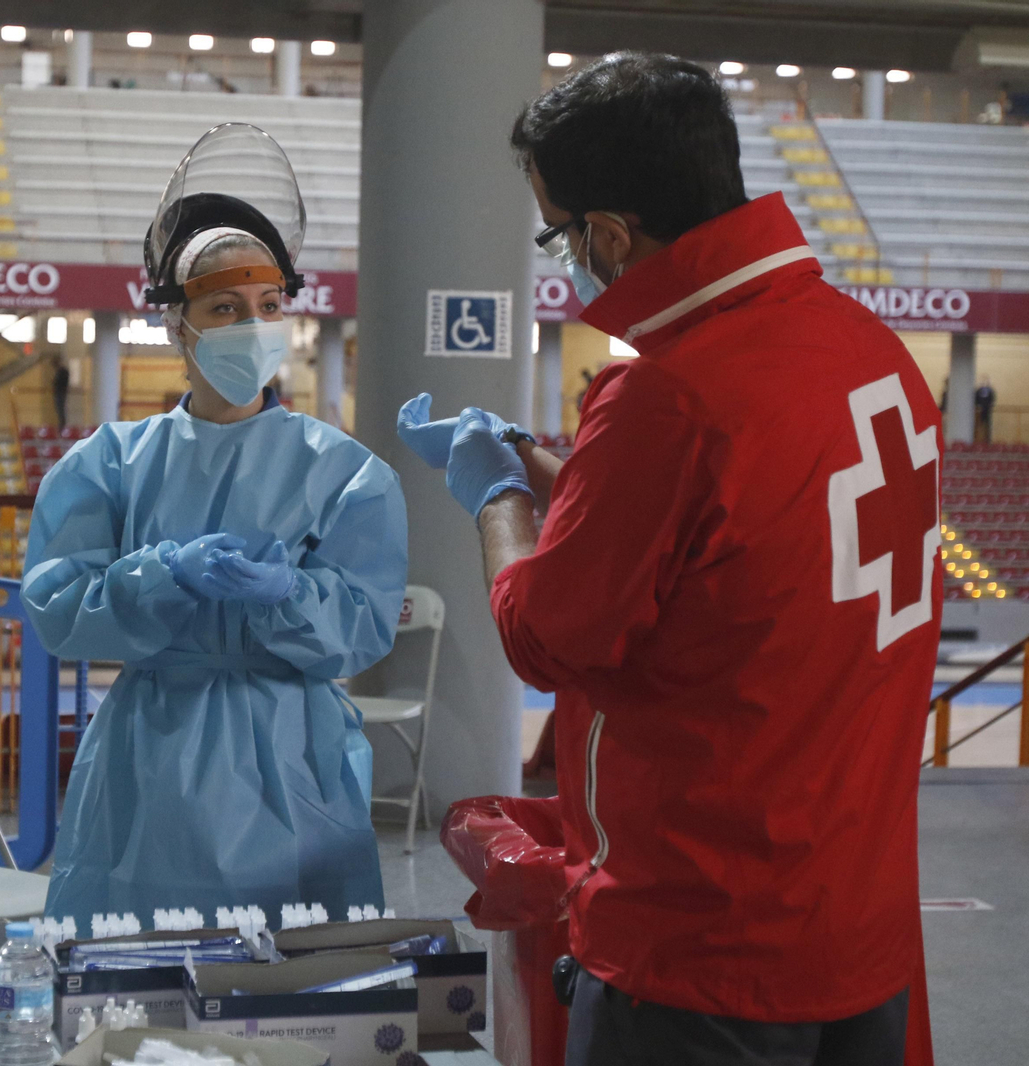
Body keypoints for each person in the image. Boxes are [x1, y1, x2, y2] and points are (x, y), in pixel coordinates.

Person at [400, 54, 938, 1064]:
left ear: (609, 234)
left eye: (560, 234)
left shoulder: (671, 391)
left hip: (704, 940)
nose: (569, 257)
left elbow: (543, 635)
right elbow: (733, 537)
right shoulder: (867, 348)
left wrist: (496, 493)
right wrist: (559, 470)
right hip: (860, 919)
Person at [22, 123, 407, 924]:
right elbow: (58, 607)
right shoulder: (110, 464)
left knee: (295, 961)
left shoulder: (345, 472)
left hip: (292, 753)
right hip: (150, 754)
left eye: (268, 307)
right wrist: (157, 577)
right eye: (224, 308)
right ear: (177, 323)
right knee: (141, 957)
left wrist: (287, 595)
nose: (251, 326)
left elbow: (363, 626)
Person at [51, 355, 70, 429]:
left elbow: (60, 382)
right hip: (59, 393)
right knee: (59, 410)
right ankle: (62, 424)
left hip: (61, 393)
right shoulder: (61, 371)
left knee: (61, 409)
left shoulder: (62, 371)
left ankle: (62, 425)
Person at [975, 375, 996, 443]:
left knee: (987, 425)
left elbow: (992, 399)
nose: (984, 382)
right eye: (983, 381)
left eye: (985, 381)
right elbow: (975, 399)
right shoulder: (978, 391)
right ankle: (977, 439)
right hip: (979, 410)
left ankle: (987, 439)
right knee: (979, 424)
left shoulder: (990, 390)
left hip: (987, 409)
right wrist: (977, 406)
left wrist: (990, 406)